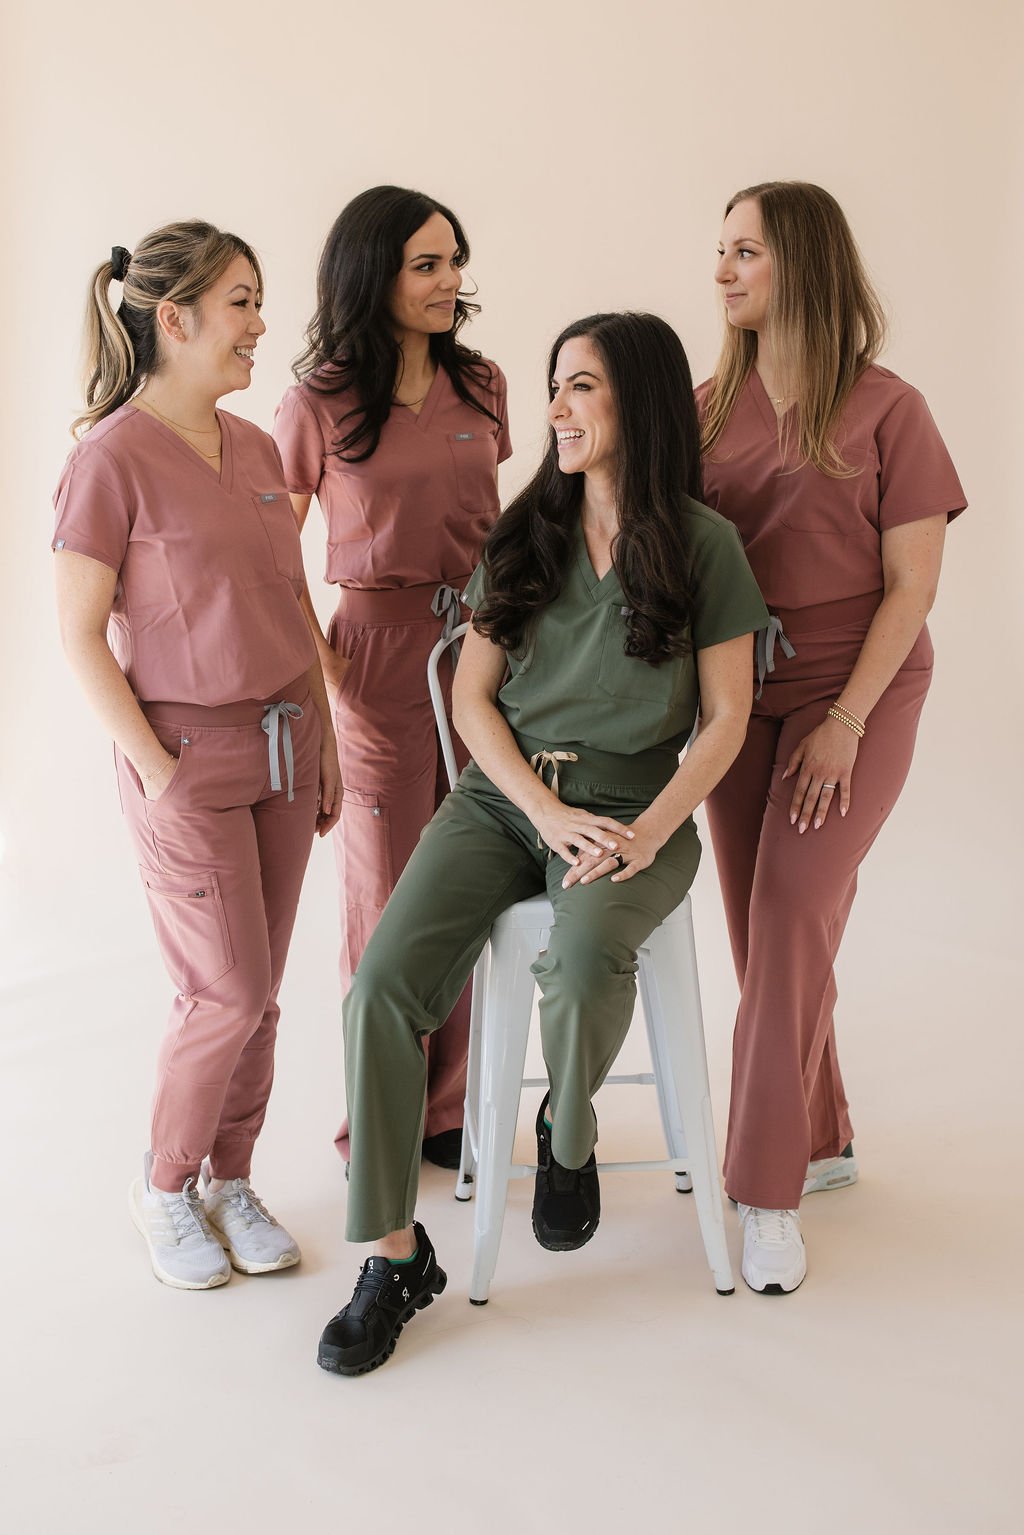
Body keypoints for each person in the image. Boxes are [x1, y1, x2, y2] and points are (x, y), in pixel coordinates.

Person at [315, 311, 769, 1376]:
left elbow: (727, 718)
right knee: (381, 983)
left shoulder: (704, 545)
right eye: (556, 388)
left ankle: (568, 1135)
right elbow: (474, 700)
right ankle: (391, 1253)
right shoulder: (526, 532)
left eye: (580, 389)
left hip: (633, 812)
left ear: (639, 405)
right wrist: (538, 809)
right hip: (503, 801)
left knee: (575, 961)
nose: (554, 410)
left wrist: (649, 830)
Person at [53, 222, 342, 1290]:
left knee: (259, 994)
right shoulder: (108, 458)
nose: (261, 324)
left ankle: (232, 1177)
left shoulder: (260, 449)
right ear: (172, 319)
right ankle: (167, 1185)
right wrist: (157, 768)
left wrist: (327, 741)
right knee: (222, 990)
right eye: (241, 301)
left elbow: (290, 600)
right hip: (186, 755)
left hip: (286, 745)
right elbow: (79, 635)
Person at [698, 181, 966, 1295]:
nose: (721, 271)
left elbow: (912, 587)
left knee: (794, 907)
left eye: (746, 251)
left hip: (858, 688)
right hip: (734, 697)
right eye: (718, 251)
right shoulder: (704, 405)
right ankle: (825, 1131)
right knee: (767, 945)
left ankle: (764, 1192)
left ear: (800, 263)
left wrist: (846, 720)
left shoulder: (888, 408)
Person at [273, 186, 511, 1172]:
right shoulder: (318, 399)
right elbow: (270, 554)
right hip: (376, 654)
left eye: (454, 259)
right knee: (385, 900)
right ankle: (380, 1118)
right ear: (373, 273)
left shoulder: (484, 383)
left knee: (469, 887)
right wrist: (331, 673)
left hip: (485, 652)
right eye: (426, 264)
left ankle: (450, 1110)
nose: (449, 279)